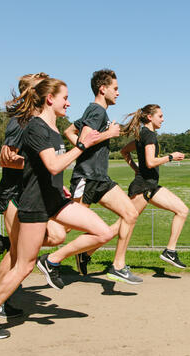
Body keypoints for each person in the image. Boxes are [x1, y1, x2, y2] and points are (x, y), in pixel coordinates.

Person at [0, 77, 113, 339]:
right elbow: (53, 165)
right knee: (23, 266)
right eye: (65, 98)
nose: (69, 102)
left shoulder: (52, 127)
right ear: (50, 99)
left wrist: (59, 187)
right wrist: (83, 145)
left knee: (103, 232)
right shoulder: (36, 127)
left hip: (55, 200)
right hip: (35, 204)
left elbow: (45, 170)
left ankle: (51, 261)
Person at [0, 73, 74, 319]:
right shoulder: (21, 122)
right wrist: (37, 165)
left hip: (33, 191)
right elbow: (6, 159)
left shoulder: (42, 122)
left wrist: (47, 174)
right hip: (15, 192)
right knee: (17, 254)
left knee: (55, 235)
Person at [63, 69, 141, 284]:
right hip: (86, 178)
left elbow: (70, 132)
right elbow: (85, 137)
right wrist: (109, 134)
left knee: (130, 214)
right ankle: (9, 244)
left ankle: (118, 266)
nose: (118, 93)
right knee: (63, 228)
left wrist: (81, 149)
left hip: (100, 178)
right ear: (102, 89)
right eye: (115, 89)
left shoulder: (95, 112)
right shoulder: (96, 110)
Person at [120, 104, 188, 268]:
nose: (163, 119)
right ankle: (86, 252)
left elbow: (124, 151)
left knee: (182, 210)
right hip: (142, 188)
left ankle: (170, 251)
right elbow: (150, 162)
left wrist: (136, 169)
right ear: (150, 117)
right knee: (121, 226)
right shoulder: (148, 135)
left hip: (151, 186)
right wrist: (170, 157)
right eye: (160, 116)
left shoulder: (141, 135)